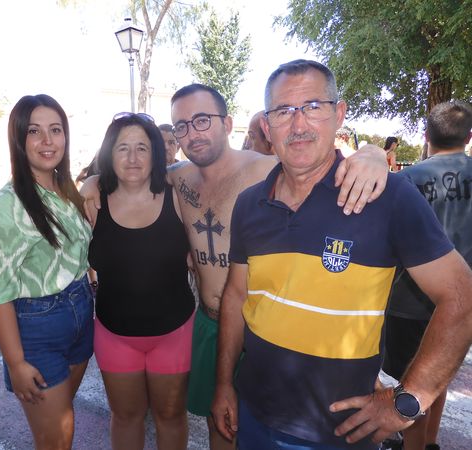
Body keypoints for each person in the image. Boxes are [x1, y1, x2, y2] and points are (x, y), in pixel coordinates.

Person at [82, 83, 389, 450]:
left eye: (202, 120)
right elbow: (129, 175)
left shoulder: (267, 169)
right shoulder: (177, 178)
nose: (192, 133)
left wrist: (372, 155)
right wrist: (92, 181)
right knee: (221, 425)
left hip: (263, 328)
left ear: (227, 124)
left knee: (281, 431)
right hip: (209, 323)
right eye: (182, 126)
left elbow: (323, 162)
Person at [211, 59, 472, 450]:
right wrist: (223, 384)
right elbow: (235, 296)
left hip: (339, 435)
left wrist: (408, 400)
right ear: (266, 126)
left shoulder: (386, 197)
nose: (298, 124)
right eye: (283, 111)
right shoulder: (250, 204)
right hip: (254, 416)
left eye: (313, 106)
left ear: (339, 114)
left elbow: (462, 296)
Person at [0, 94, 93, 450]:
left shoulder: (66, 190)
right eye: (34, 131)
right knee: (57, 436)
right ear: (18, 138)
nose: (47, 140)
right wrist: (15, 363)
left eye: (56, 130)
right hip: (37, 327)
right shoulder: (4, 208)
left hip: (80, 312)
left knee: (60, 423)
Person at [88, 112, 195, 450]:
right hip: (115, 335)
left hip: (175, 334)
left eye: (142, 148)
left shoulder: (177, 195)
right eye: (122, 148)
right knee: (125, 417)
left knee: (171, 416)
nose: (132, 158)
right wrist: (90, 182)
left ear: (155, 154)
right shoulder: (91, 203)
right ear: (109, 153)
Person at [382, 100, 472, 450]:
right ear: (468, 137)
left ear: (425, 135)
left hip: (409, 300)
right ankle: (429, 441)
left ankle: (415, 445)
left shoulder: (405, 180)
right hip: (462, 302)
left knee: (409, 381)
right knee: (440, 370)